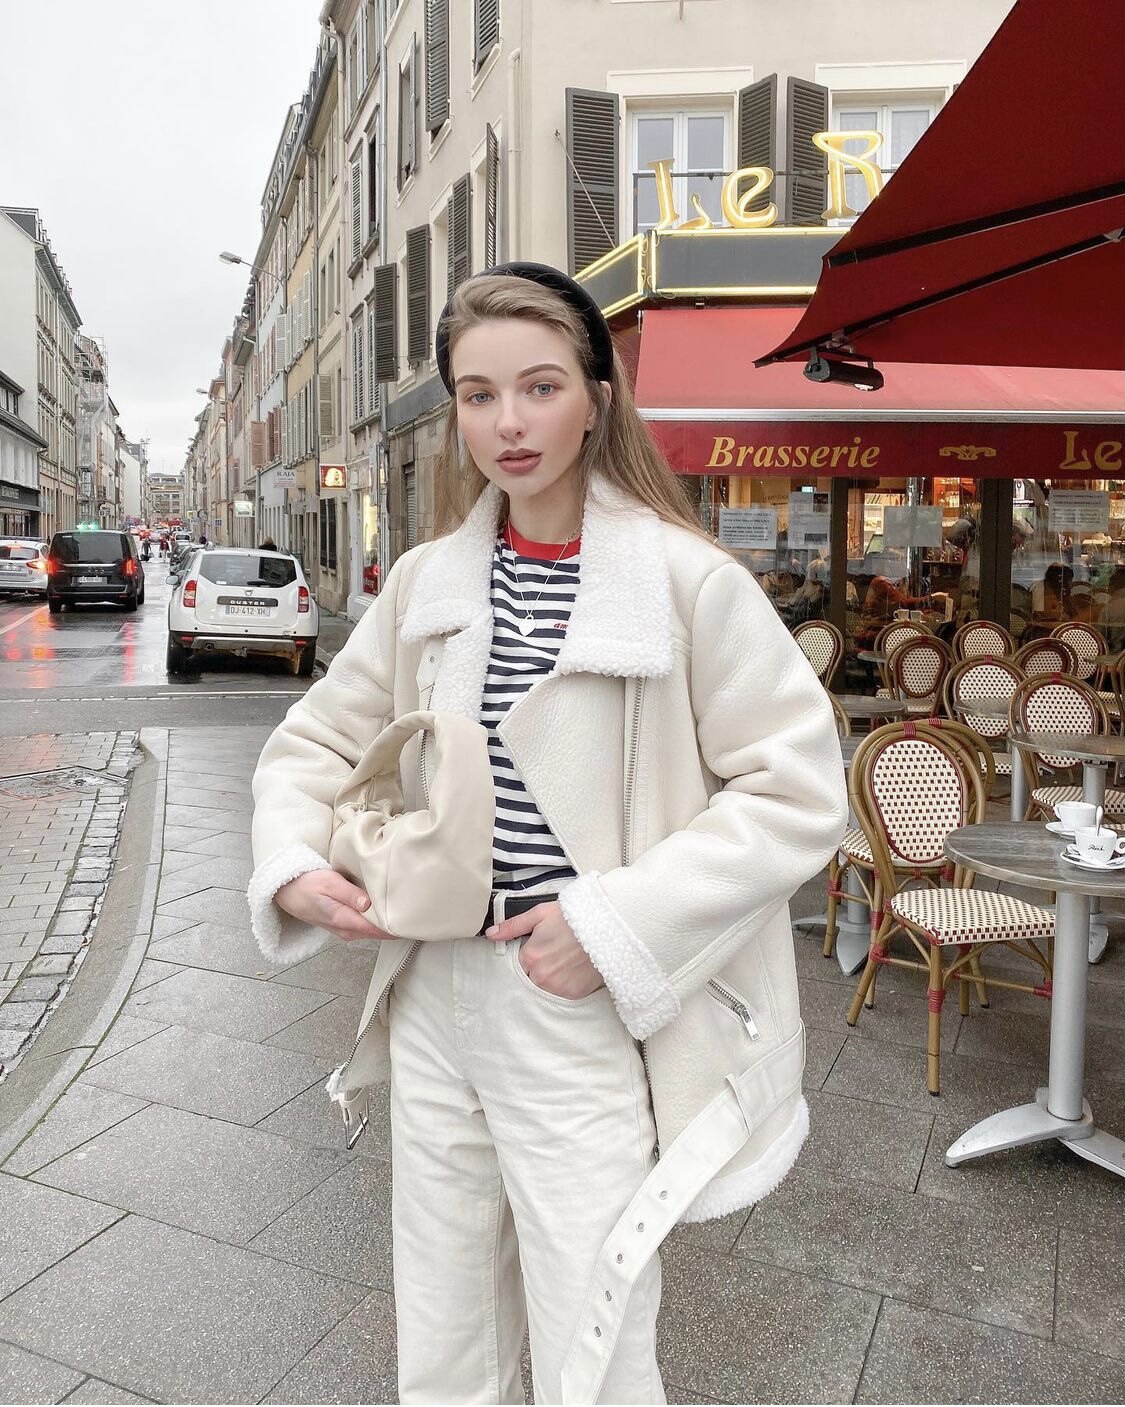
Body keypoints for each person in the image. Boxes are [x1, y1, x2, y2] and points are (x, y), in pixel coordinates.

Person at [246, 263, 847, 1405]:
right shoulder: (427, 581)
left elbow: (798, 789)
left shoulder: (686, 582)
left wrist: (611, 924)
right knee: (443, 1326)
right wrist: (292, 862)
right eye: (478, 396)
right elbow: (316, 738)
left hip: (576, 999)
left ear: (596, 398)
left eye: (539, 386)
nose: (508, 424)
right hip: (429, 989)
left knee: (595, 1332)